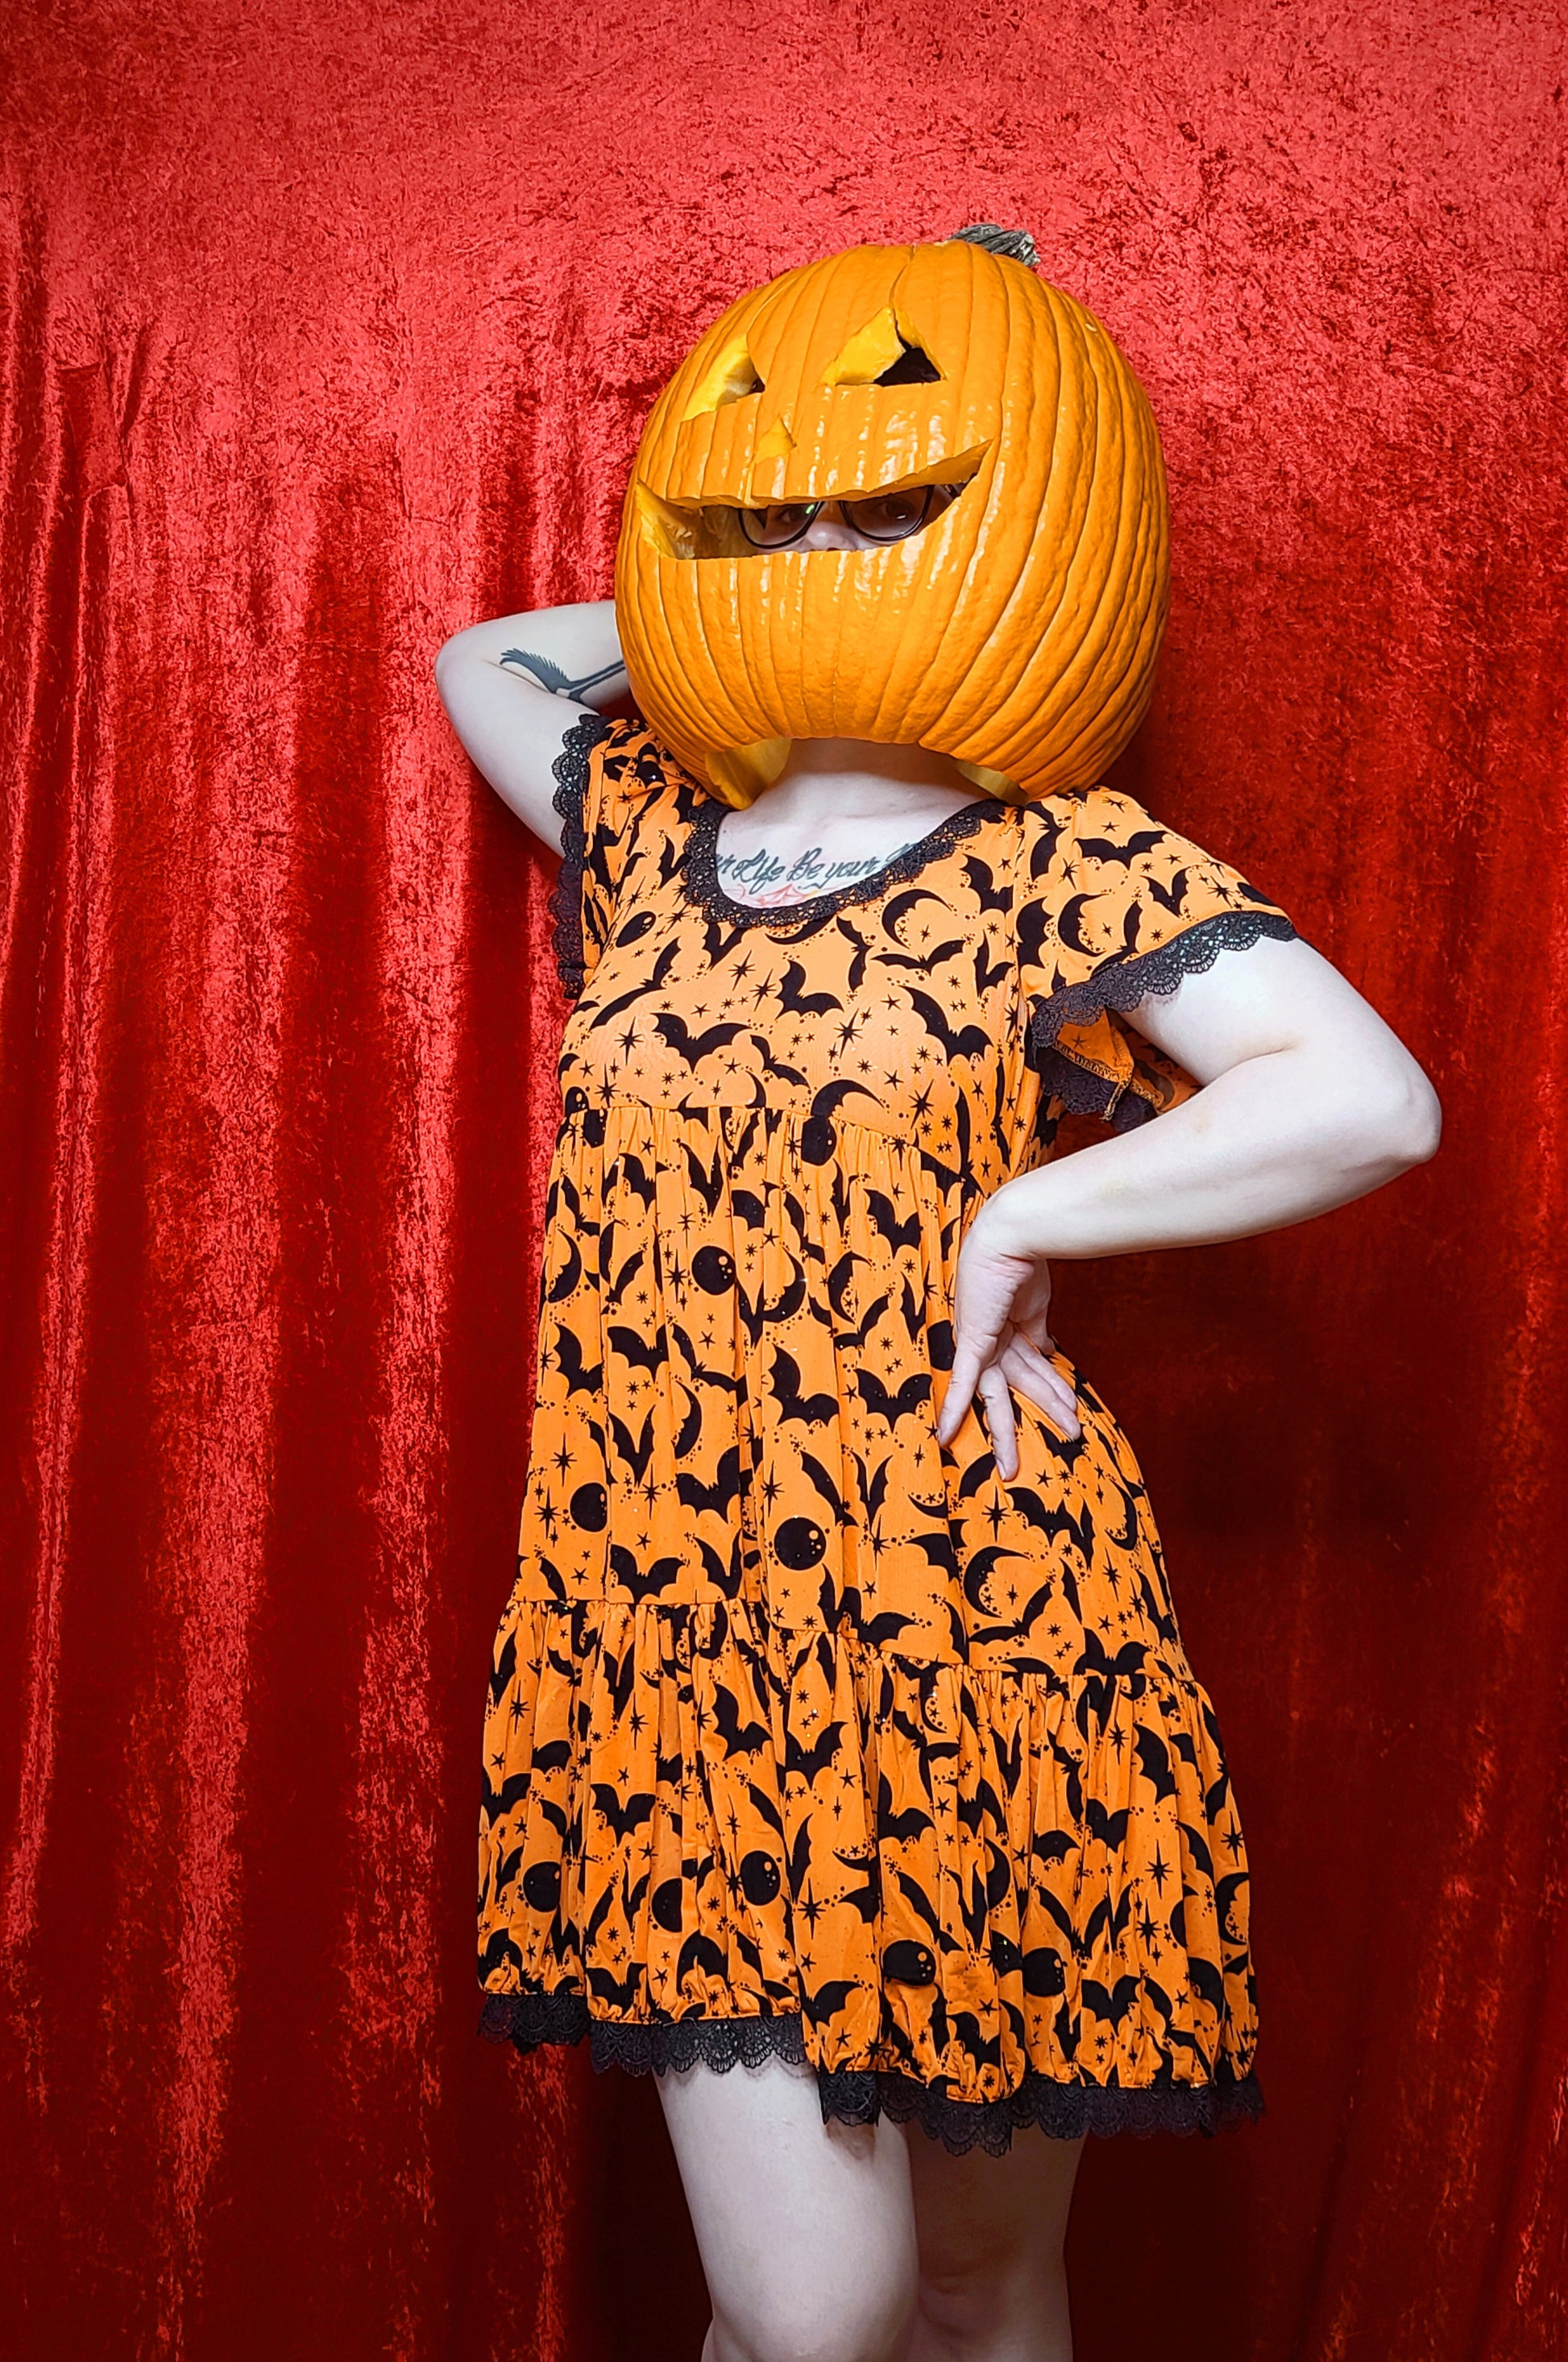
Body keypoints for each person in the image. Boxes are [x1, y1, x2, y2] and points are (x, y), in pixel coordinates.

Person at [436, 484, 1439, 2362]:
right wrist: (759, 589)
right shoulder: (647, 820)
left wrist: (1029, 1211)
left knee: (980, 2288)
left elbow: (1370, 1101)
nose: (822, 539)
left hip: (984, 1615)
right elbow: (485, 659)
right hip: (677, 1616)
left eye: (890, 504)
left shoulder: (1071, 858)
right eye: (776, 509)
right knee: (813, 2315)